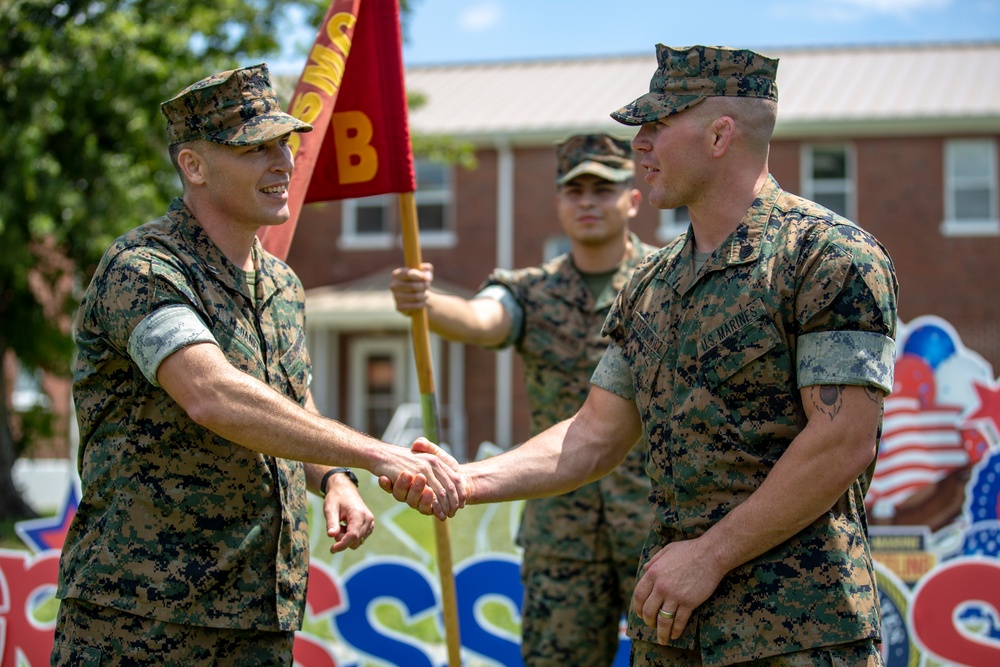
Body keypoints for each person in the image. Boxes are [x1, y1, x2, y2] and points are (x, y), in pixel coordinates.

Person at [386, 44, 899, 666]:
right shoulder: (650, 285)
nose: (640, 145)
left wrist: (708, 557)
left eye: (658, 125)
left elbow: (842, 442)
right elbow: (595, 434)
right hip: (672, 626)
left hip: (798, 632)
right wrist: (468, 480)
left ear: (719, 135)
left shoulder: (828, 257)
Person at [51, 64, 461, 666]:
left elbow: (291, 402)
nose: (284, 163)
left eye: (285, 144)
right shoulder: (142, 269)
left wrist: (333, 477)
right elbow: (212, 393)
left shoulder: (281, 283)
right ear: (194, 165)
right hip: (141, 617)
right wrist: (375, 453)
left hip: (259, 616)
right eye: (255, 148)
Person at [391, 133, 657, 666]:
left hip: (657, 527)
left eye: (602, 189)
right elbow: (485, 319)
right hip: (562, 533)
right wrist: (430, 305)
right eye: (574, 189)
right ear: (558, 202)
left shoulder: (668, 280)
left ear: (632, 198)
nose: (587, 201)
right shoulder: (531, 289)